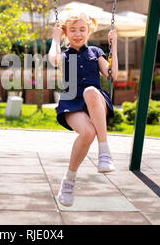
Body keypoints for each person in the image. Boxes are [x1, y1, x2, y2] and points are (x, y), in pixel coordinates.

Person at [48, 11, 118, 207]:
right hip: (72, 103)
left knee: (90, 91)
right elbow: (53, 59)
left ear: (89, 31)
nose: (77, 34)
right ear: (66, 33)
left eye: (82, 29)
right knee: (87, 133)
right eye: (72, 30)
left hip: (95, 101)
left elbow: (113, 75)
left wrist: (114, 46)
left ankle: (104, 151)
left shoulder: (96, 52)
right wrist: (55, 37)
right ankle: (68, 180)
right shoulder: (62, 54)